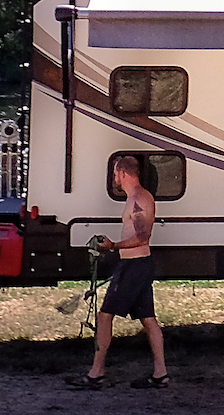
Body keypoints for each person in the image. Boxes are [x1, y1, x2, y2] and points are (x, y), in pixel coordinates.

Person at [70, 150, 168, 389]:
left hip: (134, 266)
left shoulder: (139, 199)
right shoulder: (134, 197)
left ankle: (96, 373)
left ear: (122, 173)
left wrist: (113, 246)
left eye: (115, 172)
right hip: (137, 265)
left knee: (105, 316)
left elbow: (143, 237)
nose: (113, 177)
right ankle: (160, 374)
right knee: (148, 320)